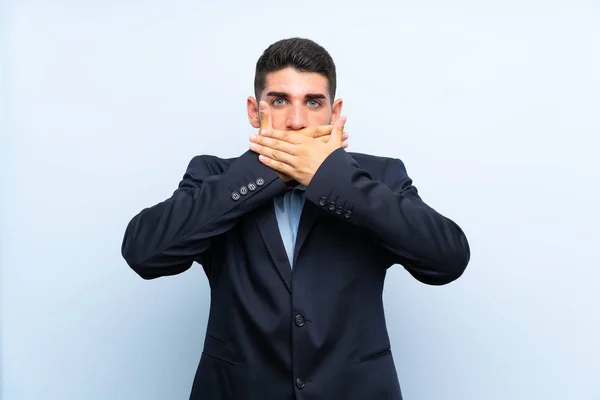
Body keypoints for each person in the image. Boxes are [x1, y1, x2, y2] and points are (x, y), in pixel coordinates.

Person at [121, 37, 470, 400]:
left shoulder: (379, 177)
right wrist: (266, 173)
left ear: (334, 113)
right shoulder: (214, 176)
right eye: (279, 100)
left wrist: (332, 179)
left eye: (313, 102)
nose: (297, 121)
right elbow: (144, 253)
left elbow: (447, 260)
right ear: (254, 111)